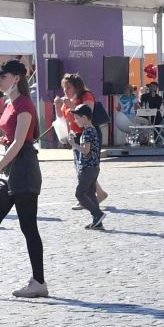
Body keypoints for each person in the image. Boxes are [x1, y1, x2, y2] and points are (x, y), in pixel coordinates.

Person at [0, 60, 48, 299]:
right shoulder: (11, 103)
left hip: (23, 170)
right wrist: (0, 137)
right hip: (12, 171)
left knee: (28, 228)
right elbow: (13, 138)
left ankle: (39, 282)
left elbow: (21, 142)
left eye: (3, 76)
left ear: (16, 78)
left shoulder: (24, 104)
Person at [62, 74, 108, 229]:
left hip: (89, 166)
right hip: (91, 167)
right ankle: (97, 219)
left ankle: (97, 213)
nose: (74, 120)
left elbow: (86, 151)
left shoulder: (88, 131)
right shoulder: (88, 130)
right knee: (89, 193)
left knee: (80, 194)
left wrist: (74, 144)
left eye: (68, 87)